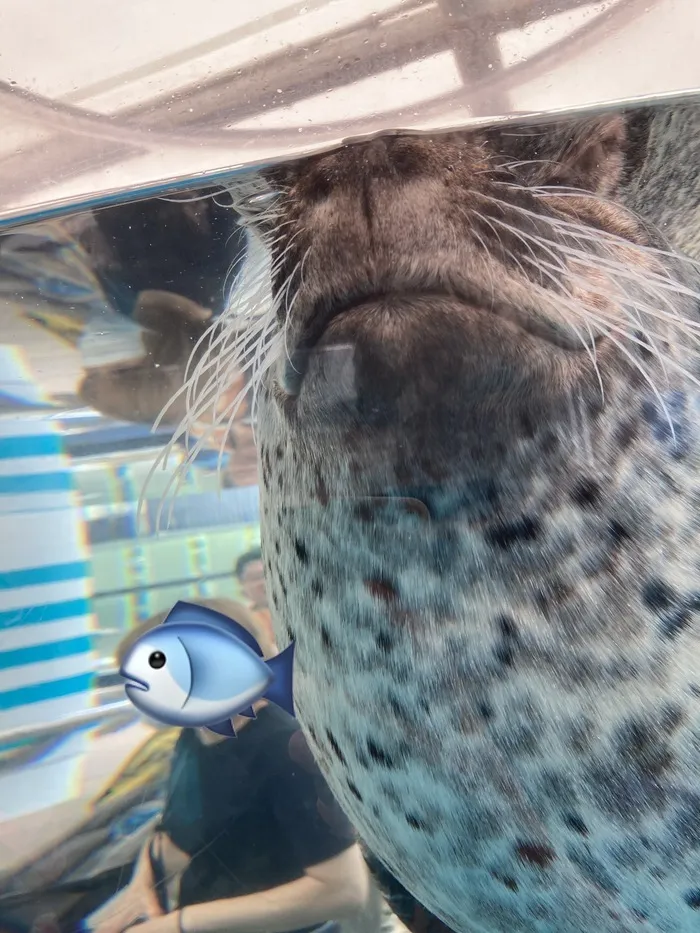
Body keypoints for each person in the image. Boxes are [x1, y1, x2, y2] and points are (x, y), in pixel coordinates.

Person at [88, 599, 377, 933]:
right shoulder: (195, 735)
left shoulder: (286, 748)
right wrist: (141, 889)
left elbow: (344, 890)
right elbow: (175, 827)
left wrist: (180, 925)